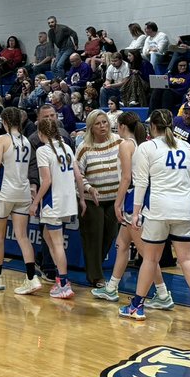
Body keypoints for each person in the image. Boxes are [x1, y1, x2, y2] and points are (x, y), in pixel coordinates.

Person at [119, 109, 190, 323]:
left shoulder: (147, 147)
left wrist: (135, 213)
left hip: (158, 208)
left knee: (150, 258)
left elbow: (141, 183)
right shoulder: (187, 147)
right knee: (188, 259)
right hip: (184, 208)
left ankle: (137, 306)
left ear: (152, 126)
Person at [92, 112, 175, 306]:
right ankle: (111, 288)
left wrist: (117, 202)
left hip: (132, 198)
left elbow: (127, 178)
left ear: (121, 126)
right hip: (138, 196)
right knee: (122, 244)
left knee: (146, 253)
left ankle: (163, 294)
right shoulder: (136, 143)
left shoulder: (125, 144)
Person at [0, 107, 37, 291]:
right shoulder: (27, 142)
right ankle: (32, 278)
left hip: (4, 192)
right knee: (22, 236)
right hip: (22, 192)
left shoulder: (2, 139)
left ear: (5, 122)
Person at [31, 115, 85, 299]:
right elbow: (78, 176)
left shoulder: (43, 151)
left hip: (52, 202)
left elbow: (47, 181)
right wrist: (82, 199)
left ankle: (63, 282)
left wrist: (35, 201)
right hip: (68, 201)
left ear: (40, 133)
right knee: (47, 235)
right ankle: (60, 280)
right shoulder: (67, 147)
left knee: (56, 242)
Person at [75, 110, 122, 288]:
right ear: (91, 127)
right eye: (98, 123)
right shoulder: (84, 147)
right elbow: (78, 174)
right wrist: (89, 187)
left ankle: (93, 267)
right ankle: (96, 277)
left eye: (104, 122)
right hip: (91, 200)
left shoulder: (118, 141)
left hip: (114, 199)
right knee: (93, 238)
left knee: (109, 236)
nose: (102, 126)